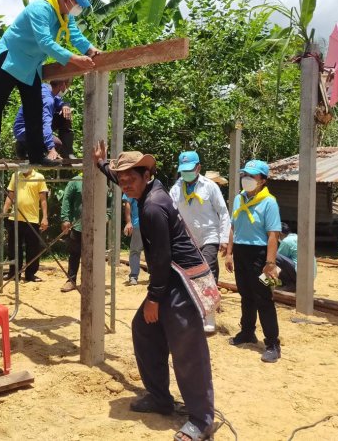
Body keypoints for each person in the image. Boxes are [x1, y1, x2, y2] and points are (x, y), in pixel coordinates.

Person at [94, 141, 215, 441]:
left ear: (146, 174)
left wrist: (153, 299)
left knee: (187, 349)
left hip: (181, 281)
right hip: (171, 277)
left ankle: (201, 420)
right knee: (144, 329)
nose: (125, 186)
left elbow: (160, 260)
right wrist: (101, 165)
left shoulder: (152, 207)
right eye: (121, 181)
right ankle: (160, 398)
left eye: (130, 180)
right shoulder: (146, 188)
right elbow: (121, 176)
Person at [0, 0, 99, 166]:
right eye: (76, 3)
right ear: (66, 0)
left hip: (31, 65)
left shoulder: (66, 15)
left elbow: (75, 35)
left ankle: (36, 156)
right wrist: (74, 60)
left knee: (34, 110)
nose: (78, 7)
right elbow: (45, 42)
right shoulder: (40, 9)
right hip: (10, 58)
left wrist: (90, 50)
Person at [224, 159, 282, 363]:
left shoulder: (269, 202)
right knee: (245, 295)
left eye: (252, 176)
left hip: (259, 254)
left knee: (263, 298)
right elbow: (233, 227)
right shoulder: (239, 198)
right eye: (244, 175)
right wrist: (229, 253)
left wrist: (270, 262)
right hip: (240, 251)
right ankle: (247, 332)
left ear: (263, 180)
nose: (246, 179)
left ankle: (273, 343)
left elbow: (273, 235)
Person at [169, 151, 230, 333]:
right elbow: (171, 213)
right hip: (187, 239)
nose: (186, 173)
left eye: (189, 169)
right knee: (187, 276)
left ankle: (209, 317)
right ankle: (193, 313)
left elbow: (223, 213)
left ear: (198, 168)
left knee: (207, 274)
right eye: (183, 170)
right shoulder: (175, 189)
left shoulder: (210, 186)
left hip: (209, 236)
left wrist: (224, 239)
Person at [3, 168, 49, 282]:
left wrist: (44, 217)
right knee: (13, 248)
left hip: (32, 219)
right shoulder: (15, 175)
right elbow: (10, 195)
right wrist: (4, 212)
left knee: (33, 248)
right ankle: (13, 273)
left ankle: (30, 274)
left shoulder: (39, 177)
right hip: (15, 218)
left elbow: (43, 199)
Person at [14, 78, 76, 161]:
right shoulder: (47, 100)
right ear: (63, 85)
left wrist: (65, 105)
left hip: (33, 124)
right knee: (56, 144)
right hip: (25, 131)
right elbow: (45, 124)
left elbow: (58, 100)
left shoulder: (46, 88)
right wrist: (51, 148)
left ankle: (67, 153)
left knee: (65, 114)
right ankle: (24, 148)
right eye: (67, 86)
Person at [274, 223, 316, 292]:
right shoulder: (298, 237)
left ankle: (290, 284)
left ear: (280, 233)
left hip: (300, 276)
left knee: (274, 256)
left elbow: (277, 263)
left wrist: (265, 280)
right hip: (311, 276)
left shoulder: (286, 241)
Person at [60, 173, 82, 292]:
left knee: (94, 257)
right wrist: (65, 218)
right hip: (78, 226)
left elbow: (109, 200)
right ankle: (71, 280)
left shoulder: (101, 180)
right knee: (74, 254)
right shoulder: (76, 181)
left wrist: (107, 216)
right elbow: (66, 199)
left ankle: (90, 282)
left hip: (96, 228)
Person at [122, 193, 143, 286]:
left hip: (152, 223)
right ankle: (133, 276)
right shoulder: (131, 185)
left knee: (153, 250)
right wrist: (129, 222)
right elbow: (127, 204)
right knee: (135, 250)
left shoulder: (155, 185)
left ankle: (154, 275)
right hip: (138, 224)